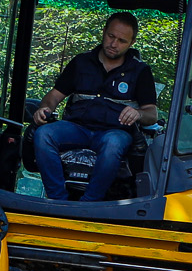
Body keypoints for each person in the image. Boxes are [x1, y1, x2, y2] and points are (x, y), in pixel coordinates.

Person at [29, 12, 160, 201]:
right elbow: (53, 96)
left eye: (122, 41)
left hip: (114, 131)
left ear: (132, 43)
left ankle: (89, 203)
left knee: (113, 144)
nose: (114, 44)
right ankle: (58, 200)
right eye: (111, 36)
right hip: (77, 127)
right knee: (43, 134)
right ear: (104, 31)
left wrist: (138, 113)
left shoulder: (141, 71)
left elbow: (152, 114)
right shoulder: (81, 62)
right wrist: (45, 108)